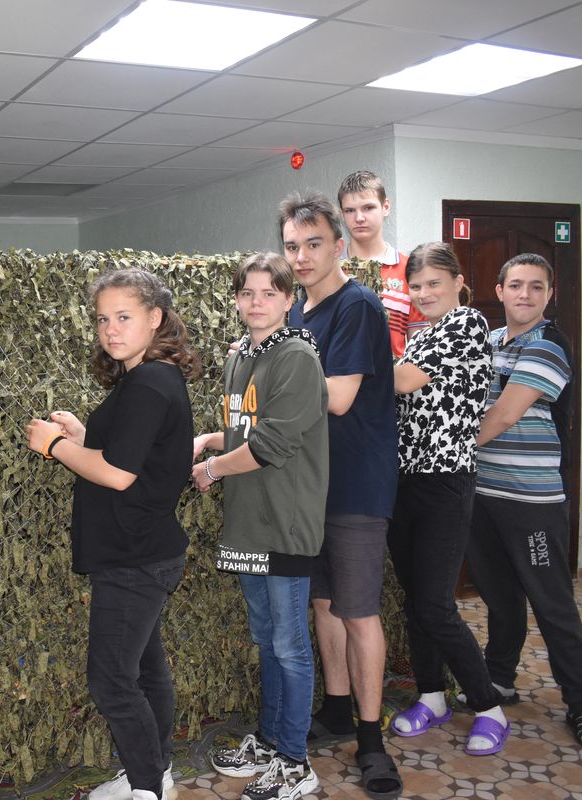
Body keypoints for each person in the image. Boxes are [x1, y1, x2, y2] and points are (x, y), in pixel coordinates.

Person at [24, 268, 200, 800]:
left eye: (124, 317)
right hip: (144, 551)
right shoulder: (151, 377)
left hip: (134, 558)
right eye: (103, 319)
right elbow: (133, 453)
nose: (110, 329)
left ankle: (147, 788)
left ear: (155, 317)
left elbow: (119, 474)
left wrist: (54, 446)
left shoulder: (147, 382)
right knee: (146, 671)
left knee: (112, 681)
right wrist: (83, 435)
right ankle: (155, 773)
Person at [278, 191, 401, 800]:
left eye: (313, 244)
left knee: (357, 611)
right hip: (312, 486)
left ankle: (372, 740)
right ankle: (335, 708)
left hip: (356, 485)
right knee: (324, 604)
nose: (301, 256)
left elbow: (340, 397)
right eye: (291, 246)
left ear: (338, 245)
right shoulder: (298, 313)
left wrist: (273, 375)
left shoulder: (357, 306)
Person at [192, 253, 328, 800]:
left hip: (286, 523)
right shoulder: (242, 358)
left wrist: (211, 469)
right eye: (247, 293)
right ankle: (269, 743)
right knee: (266, 638)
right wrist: (209, 440)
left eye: (269, 293)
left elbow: (271, 444)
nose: (257, 302)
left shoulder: (296, 357)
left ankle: (295, 761)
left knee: (290, 645)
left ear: (289, 299)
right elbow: (245, 429)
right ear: (235, 299)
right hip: (247, 522)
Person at [467, 253, 582, 749]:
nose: (524, 294)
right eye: (515, 285)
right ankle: (499, 678)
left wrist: (451, 448)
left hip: (530, 499)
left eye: (536, 286)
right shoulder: (487, 342)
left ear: (550, 294)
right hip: (482, 492)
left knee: (552, 603)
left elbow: (505, 413)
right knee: (500, 597)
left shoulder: (549, 344)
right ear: (499, 290)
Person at [386, 242, 509, 756]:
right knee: (417, 601)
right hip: (406, 481)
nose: (423, 293)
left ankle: (488, 707)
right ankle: (432, 696)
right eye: (415, 286)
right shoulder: (422, 336)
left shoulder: (467, 324)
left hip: (445, 481)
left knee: (436, 605)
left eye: (434, 283)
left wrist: (340, 358)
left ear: (458, 283)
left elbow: (401, 381)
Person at [337, 170, 426, 358]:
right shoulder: (330, 269)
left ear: (385, 207)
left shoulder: (410, 270)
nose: (359, 218)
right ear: (342, 214)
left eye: (368, 208)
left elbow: (418, 351)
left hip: (393, 376)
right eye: (350, 210)